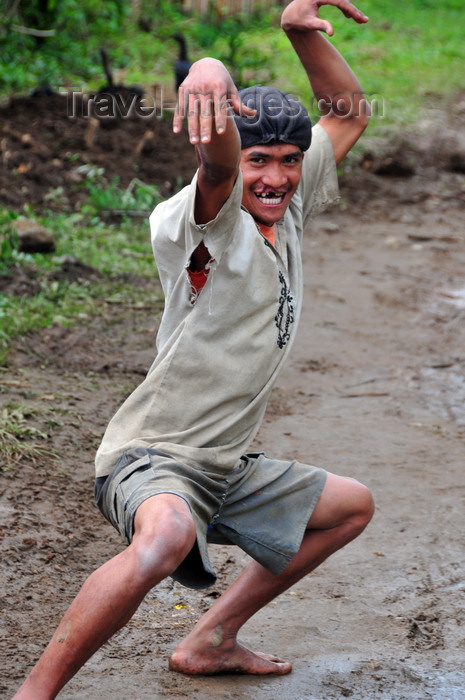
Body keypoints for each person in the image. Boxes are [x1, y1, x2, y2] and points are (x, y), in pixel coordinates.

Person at [12, 1, 374, 697]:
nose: (273, 177)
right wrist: (208, 69)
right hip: (150, 458)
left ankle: (209, 638)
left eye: (289, 161)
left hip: (224, 467)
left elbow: (348, 113)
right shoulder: (210, 219)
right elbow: (216, 168)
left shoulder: (288, 206)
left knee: (350, 506)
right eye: (259, 160)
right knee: (163, 540)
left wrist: (297, 31)